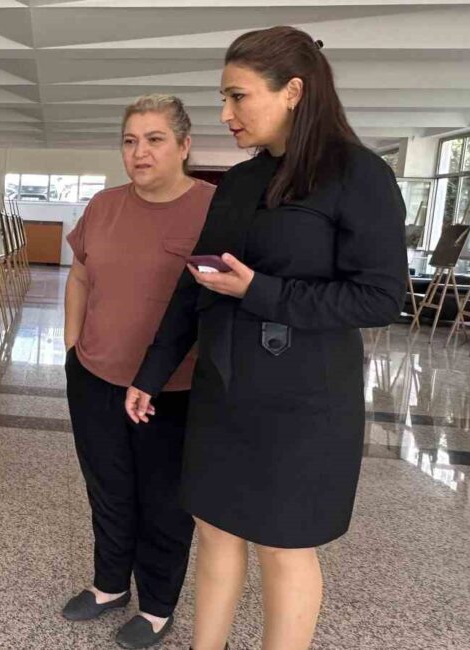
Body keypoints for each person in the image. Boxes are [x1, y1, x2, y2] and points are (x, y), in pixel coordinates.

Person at [125, 26, 406, 650]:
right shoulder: (242, 181)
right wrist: (152, 370)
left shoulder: (358, 175)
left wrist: (262, 292)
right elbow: (197, 281)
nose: (225, 114)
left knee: (284, 548)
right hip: (224, 387)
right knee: (216, 532)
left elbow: (382, 296)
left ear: (294, 92)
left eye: (238, 96)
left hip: (303, 399)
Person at [63, 95, 216, 649]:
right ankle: (108, 586)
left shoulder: (212, 209)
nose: (139, 152)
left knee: (164, 501)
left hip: (171, 390)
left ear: (183, 145)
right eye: (130, 140)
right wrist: (72, 343)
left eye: (154, 139)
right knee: (107, 487)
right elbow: (80, 275)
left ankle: (155, 605)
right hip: (95, 376)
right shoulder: (103, 206)